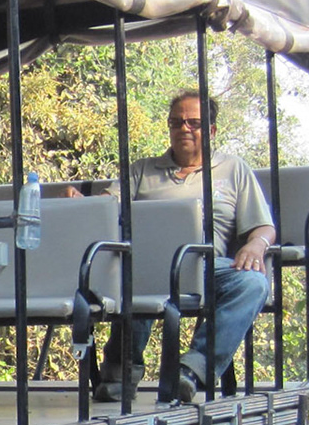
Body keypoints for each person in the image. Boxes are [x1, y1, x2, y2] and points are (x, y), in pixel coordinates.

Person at [97, 91, 276, 403]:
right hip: (146, 266)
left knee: (253, 282)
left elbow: (264, 226)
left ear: (211, 131)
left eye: (194, 123)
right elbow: (104, 209)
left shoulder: (233, 169)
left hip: (207, 268)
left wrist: (256, 245)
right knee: (131, 274)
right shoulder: (142, 170)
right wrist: (82, 203)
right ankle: (120, 374)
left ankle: (191, 370)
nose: (184, 129)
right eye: (176, 122)